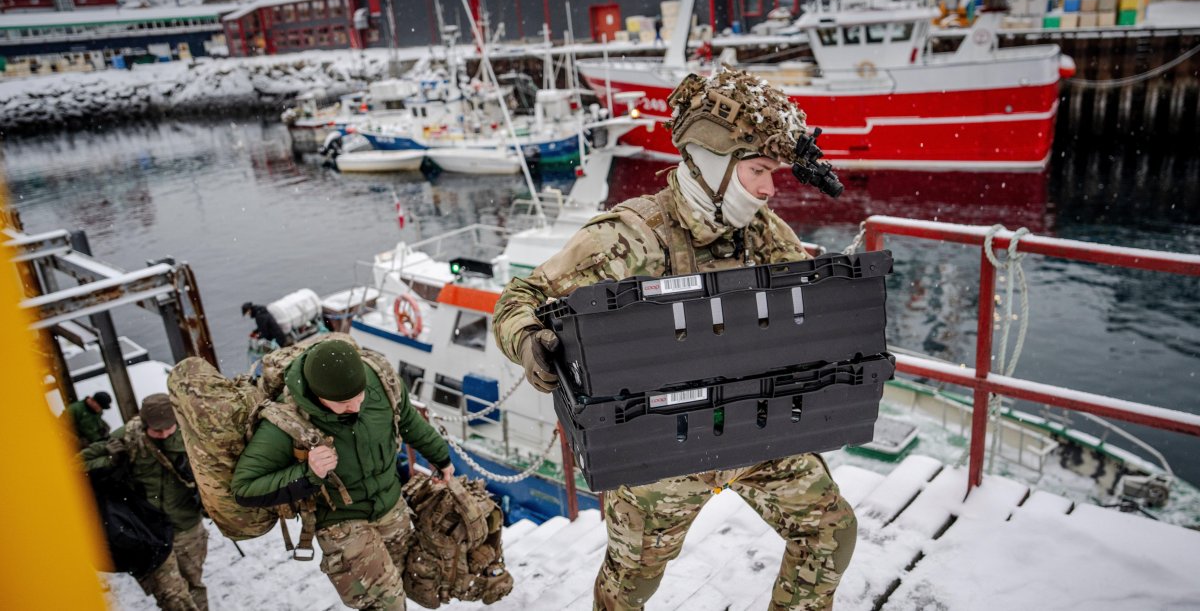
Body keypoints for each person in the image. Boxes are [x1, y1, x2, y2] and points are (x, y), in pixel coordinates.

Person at [493, 67, 857, 611]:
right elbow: (519, 296)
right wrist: (528, 340)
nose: (768, 188)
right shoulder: (629, 238)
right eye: (758, 170)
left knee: (831, 532)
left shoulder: (762, 231)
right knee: (629, 587)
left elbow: (799, 308)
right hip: (661, 449)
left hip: (754, 430)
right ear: (714, 162)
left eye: (772, 172)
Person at [231, 339, 455, 610]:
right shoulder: (286, 420)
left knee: (405, 578)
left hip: (390, 504)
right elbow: (245, 488)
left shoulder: (380, 379)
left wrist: (441, 458)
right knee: (387, 603)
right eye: (345, 403)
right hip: (342, 520)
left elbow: (407, 419)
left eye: (360, 395)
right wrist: (309, 472)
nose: (357, 406)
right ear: (318, 396)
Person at [81, 393, 208, 611]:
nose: (165, 433)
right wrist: (111, 460)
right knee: (172, 596)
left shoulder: (191, 433)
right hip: (150, 532)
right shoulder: (126, 437)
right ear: (144, 422)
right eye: (157, 430)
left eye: (169, 427)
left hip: (187, 526)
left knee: (193, 584)